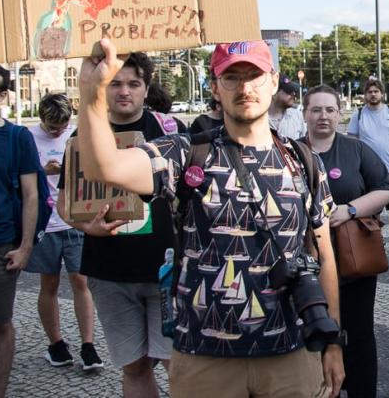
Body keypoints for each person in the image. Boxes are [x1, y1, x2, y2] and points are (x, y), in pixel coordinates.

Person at [73, 39, 345, 398]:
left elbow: (324, 258)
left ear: (274, 81)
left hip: (289, 354)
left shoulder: (304, 161)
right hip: (204, 358)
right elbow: (103, 167)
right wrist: (92, 93)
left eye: (255, 75)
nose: (245, 87)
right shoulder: (187, 152)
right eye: (231, 77)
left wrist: (333, 342)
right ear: (215, 87)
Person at [57, 52, 186, 397]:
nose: (124, 91)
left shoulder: (171, 130)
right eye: (115, 83)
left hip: (168, 271)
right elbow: (64, 202)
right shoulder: (83, 135)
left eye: (133, 83)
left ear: (146, 88)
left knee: (179, 366)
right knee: (134, 367)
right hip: (110, 270)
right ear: (103, 88)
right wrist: (87, 228)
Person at [301, 84, 389, 398]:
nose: (322, 116)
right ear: (305, 114)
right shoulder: (289, 151)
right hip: (306, 265)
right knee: (311, 331)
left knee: (359, 332)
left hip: (353, 261)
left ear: (340, 114)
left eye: (329, 109)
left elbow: (384, 190)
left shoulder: (356, 150)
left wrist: (350, 210)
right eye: (316, 109)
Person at [25, 94, 103, 371]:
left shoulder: (76, 134)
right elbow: (18, 177)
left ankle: (88, 346)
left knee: (81, 282)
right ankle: (56, 344)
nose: (58, 131)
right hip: (46, 224)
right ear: (41, 118)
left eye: (63, 125)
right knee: (49, 285)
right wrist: (42, 170)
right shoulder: (28, 136)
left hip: (75, 221)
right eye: (52, 127)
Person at [0, 64, 40, 398]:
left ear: (2, 95)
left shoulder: (17, 137)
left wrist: (25, 247)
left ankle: (0, 393)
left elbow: (31, 194)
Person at [348, 79, 389, 253]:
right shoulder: (359, 114)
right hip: (369, 170)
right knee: (372, 207)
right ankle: (377, 238)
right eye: (370, 92)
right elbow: (352, 140)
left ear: (382, 94)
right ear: (365, 95)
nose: (373, 94)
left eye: (376, 91)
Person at [268, 76, 306, 141]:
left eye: (294, 91)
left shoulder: (298, 116)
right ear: (274, 93)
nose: (293, 94)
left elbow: (304, 145)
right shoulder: (258, 118)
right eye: (289, 91)